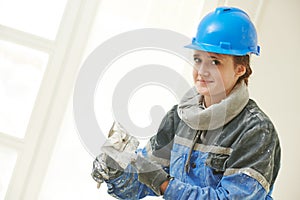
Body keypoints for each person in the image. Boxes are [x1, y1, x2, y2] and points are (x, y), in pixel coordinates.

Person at [91, 6, 281, 200]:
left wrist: (162, 182)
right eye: (198, 59)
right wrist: (116, 170)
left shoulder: (255, 131)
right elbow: (141, 185)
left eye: (215, 62)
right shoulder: (180, 117)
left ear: (240, 69)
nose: (201, 71)